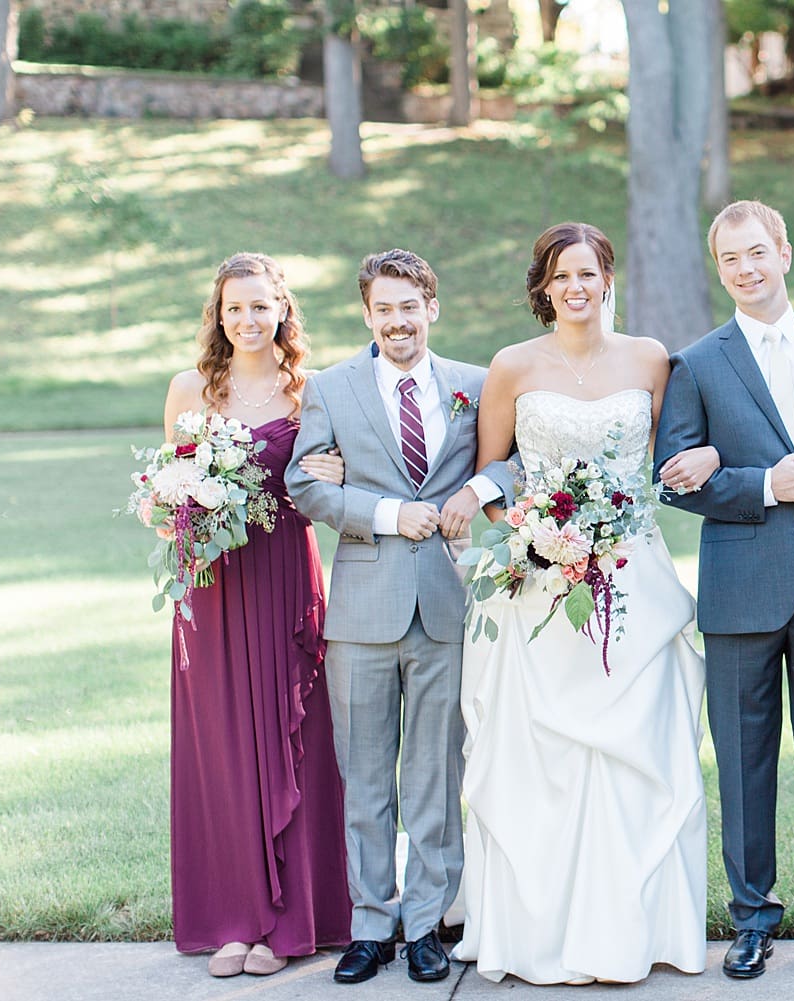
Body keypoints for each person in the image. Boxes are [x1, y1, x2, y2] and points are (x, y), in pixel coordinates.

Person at [452, 222, 716, 985]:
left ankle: (640, 932)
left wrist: (707, 457)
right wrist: (538, 542)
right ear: (543, 287)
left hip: (632, 575)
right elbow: (493, 472)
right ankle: (537, 937)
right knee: (540, 760)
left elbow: (675, 454)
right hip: (537, 588)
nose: (574, 287)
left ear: (608, 280)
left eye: (587, 273)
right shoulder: (511, 366)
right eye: (559, 275)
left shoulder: (650, 360)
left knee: (638, 752)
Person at [654, 200, 794, 981]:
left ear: (783, 251)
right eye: (729, 260)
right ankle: (750, 919)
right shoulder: (697, 363)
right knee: (745, 766)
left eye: (756, 253)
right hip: (740, 592)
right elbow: (673, 481)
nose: (745, 270)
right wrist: (761, 484)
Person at [285, 249, 514, 985]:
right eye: (383, 309)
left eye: (408, 306)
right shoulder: (331, 387)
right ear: (367, 315)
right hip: (361, 608)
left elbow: (520, 458)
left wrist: (475, 490)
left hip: (447, 603)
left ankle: (426, 923)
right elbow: (303, 482)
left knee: (433, 773)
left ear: (431, 308)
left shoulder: (475, 386)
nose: (396, 321)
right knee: (365, 776)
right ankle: (369, 923)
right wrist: (388, 513)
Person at [163, 252, 351, 978]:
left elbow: (332, 481)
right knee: (223, 747)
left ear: (282, 310)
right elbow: (169, 489)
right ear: (217, 313)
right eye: (233, 307)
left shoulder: (310, 390)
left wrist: (327, 474)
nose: (246, 319)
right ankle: (234, 918)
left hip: (281, 577)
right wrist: (167, 508)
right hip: (211, 584)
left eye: (259, 306)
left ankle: (293, 917)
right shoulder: (189, 387)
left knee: (289, 735)